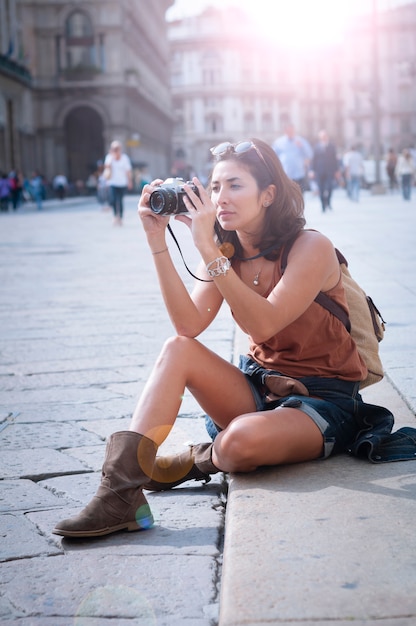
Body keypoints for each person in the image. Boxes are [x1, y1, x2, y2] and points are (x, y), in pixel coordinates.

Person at [53, 138, 416, 539]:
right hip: (260, 388)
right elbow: (187, 327)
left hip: (324, 403)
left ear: (268, 195)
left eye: (234, 185)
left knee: (238, 444)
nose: (219, 198)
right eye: (213, 187)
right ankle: (119, 495)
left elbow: (265, 325)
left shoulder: (311, 246)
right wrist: (157, 240)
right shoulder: (229, 251)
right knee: (177, 351)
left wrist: (209, 247)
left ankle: (200, 459)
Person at [272, 123, 312, 192]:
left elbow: (309, 154)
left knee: (299, 196)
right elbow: (273, 156)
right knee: (287, 197)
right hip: (285, 175)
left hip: (299, 174)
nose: (290, 132)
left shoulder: (301, 141)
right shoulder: (278, 142)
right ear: (285, 131)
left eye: (291, 130)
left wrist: (301, 146)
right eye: (288, 131)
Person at [104, 140, 133, 225]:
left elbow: (128, 171)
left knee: (120, 200)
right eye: (114, 148)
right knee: (113, 200)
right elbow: (106, 167)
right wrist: (112, 157)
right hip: (112, 183)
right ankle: (114, 216)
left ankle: (120, 217)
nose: (116, 150)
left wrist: (129, 181)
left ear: (120, 149)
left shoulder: (124, 158)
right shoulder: (109, 157)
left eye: (117, 148)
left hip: (122, 183)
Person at [310, 130, 339, 212]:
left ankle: (328, 202)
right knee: (321, 189)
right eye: (322, 137)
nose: (324, 138)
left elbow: (335, 160)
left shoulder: (332, 147)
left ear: (327, 137)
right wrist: (312, 170)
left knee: (330, 187)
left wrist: (337, 171)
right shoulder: (316, 147)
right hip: (319, 171)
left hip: (330, 171)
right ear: (320, 138)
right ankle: (323, 205)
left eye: (325, 136)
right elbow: (314, 160)